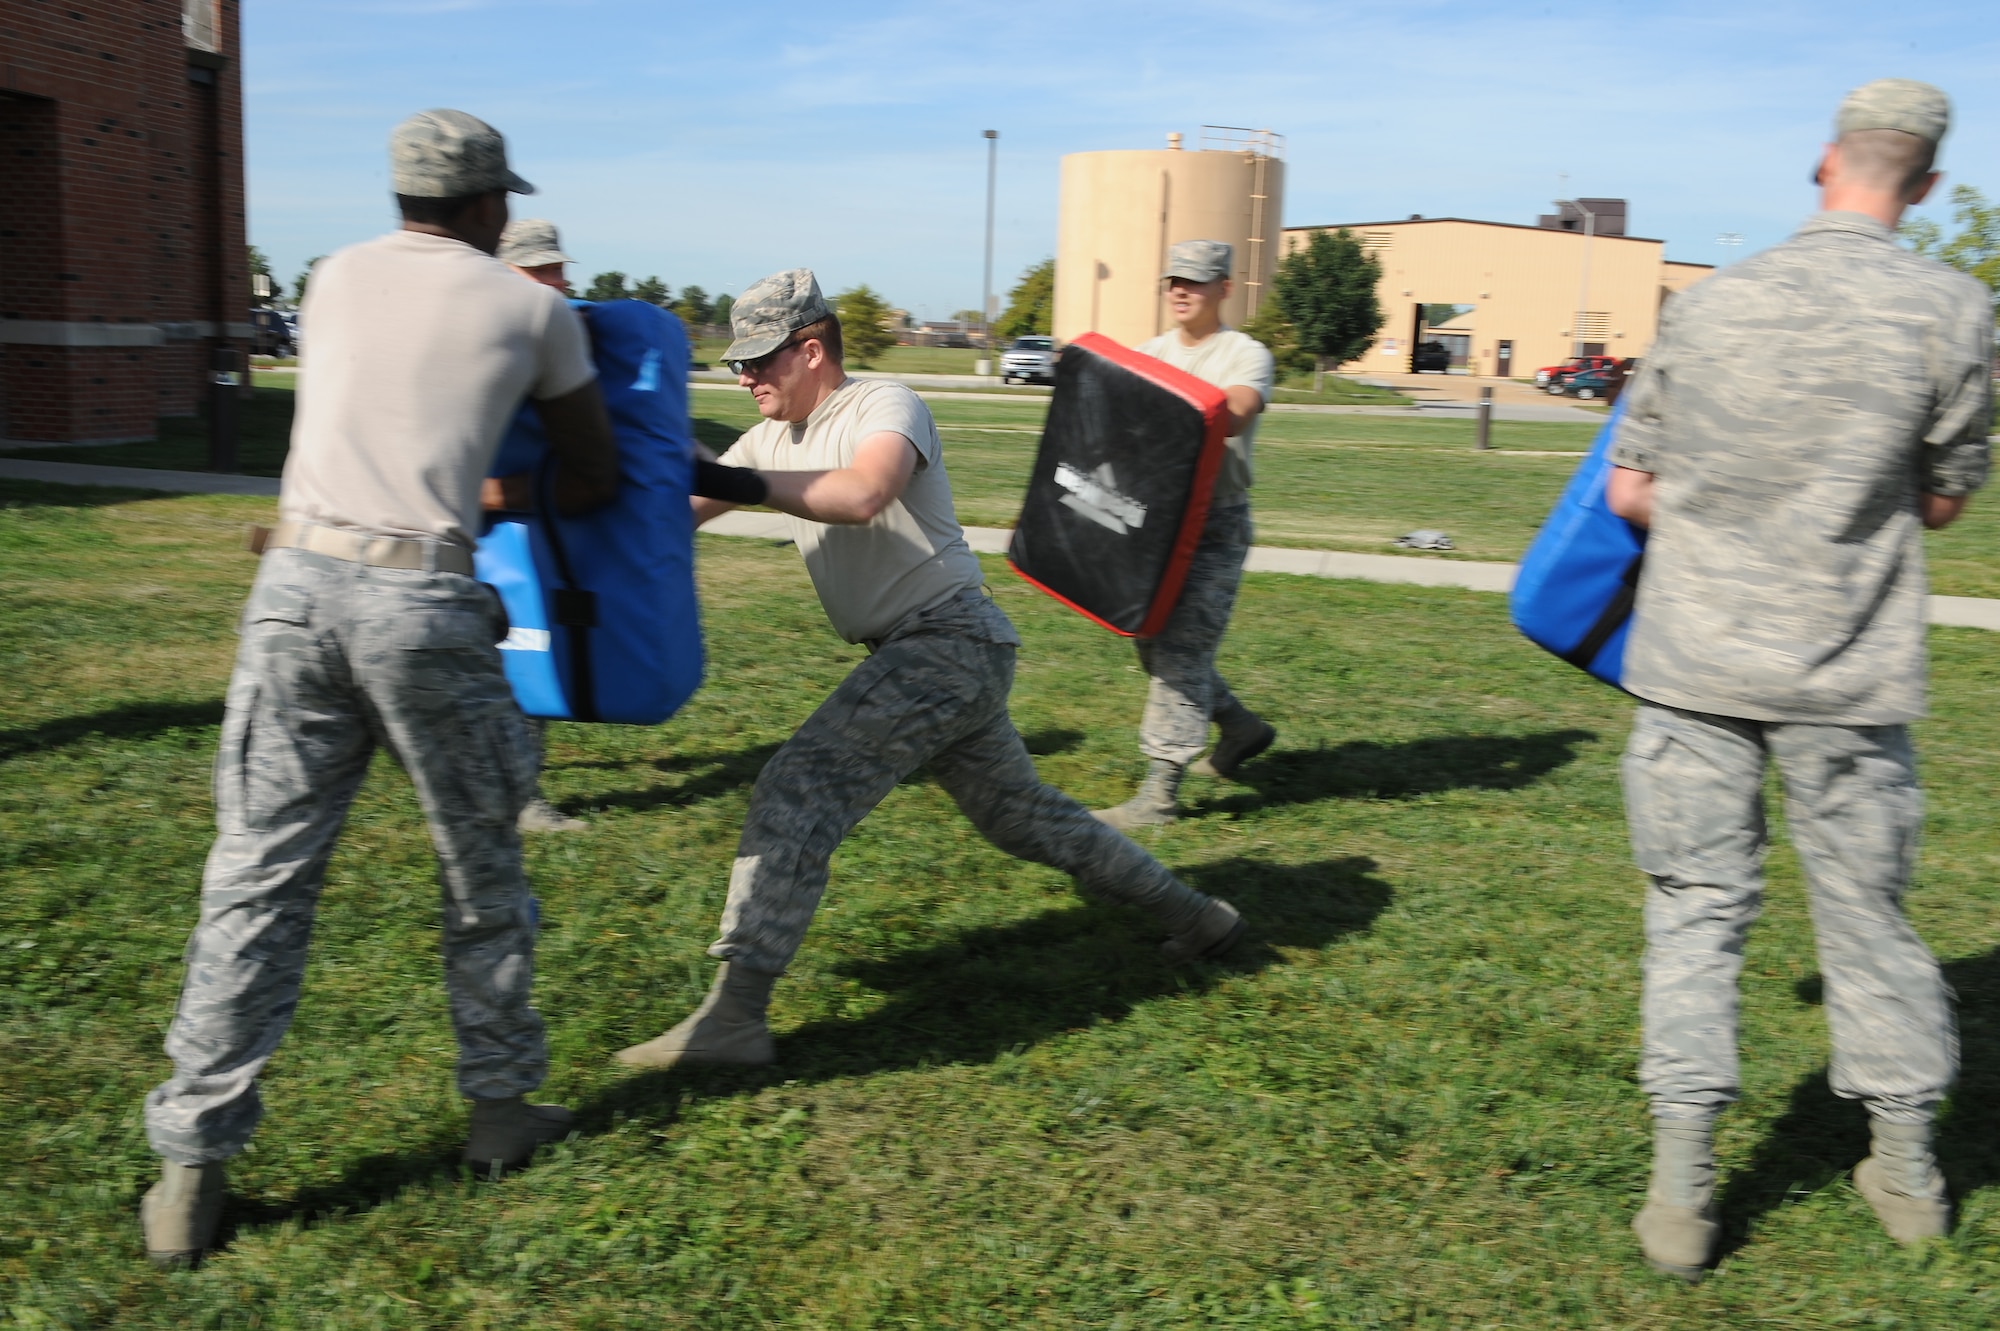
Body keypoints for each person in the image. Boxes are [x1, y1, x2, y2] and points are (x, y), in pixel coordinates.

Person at [138, 109, 622, 1267]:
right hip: (420, 599)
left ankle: (188, 1167)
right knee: (478, 866)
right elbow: (596, 473)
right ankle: (501, 1108)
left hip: (293, 587)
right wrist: (495, 492)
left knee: (256, 873)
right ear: (486, 205)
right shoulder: (535, 309)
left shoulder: (327, 276)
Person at [615, 269, 1246, 1070]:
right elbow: (679, 513)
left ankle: (735, 1016)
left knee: (798, 786)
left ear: (811, 350)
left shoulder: (883, 403)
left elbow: (864, 491)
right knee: (1022, 817)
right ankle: (1199, 917)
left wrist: (727, 476)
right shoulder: (766, 439)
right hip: (931, 655)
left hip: (948, 642)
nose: (742, 376)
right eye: (737, 362)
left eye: (759, 359)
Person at [1603, 79, 1990, 1279]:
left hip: (1691, 668)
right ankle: (1908, 1172)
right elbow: (1939, 497)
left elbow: (1628, 491)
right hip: (1850, 682)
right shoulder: (1956, 311)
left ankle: (1680, 1193)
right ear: (1919, 184)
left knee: (1693, 912)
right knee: (1866, 918)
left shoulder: (1710, 304)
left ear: (1822, 164)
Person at [1094, 240, 1277, 830]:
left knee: (1182, 652)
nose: (1181, 290)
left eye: (1195, 282)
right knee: (1149, 641)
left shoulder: (1244, 354)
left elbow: (1240, 408)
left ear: (1224, 288)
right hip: (1154, 520)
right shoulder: (1148, 354)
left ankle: (1160, 792)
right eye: (1174, 279)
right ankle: (1241, 727)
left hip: (1215, 522)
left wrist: (1175, 411)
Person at [494, 217, 589, 833]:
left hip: (529, 516)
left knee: (530, 647)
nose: (555, 281)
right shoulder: (482, 329)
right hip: (471, 516)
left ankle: (517, 790)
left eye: (558, 268)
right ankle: (507, 794)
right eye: (540, 269)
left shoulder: (558, 330)